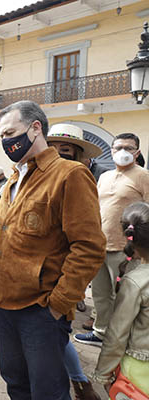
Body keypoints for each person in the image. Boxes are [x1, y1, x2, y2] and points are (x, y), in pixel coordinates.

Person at [0, 100, 106, 399]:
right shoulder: (14, 178)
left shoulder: (70, 175)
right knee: (16, 383)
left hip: (40, 309)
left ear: (35, 127)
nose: (6, 141)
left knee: (48, 391)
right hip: (4, 302)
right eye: (1, 136)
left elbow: (89, 247)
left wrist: (57, 304)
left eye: (10, 132)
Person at [46, 123, 104, 400]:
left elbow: (88, 246)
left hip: (62, 279)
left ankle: (78, 385)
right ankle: (81, 382)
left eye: (65, 150)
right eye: (53, 149)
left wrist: (64, 296)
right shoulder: (35, 179)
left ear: (80, 156)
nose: (58, 154)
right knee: (56, 339)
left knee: (56, 337)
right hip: (39, 280)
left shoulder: (80, 179)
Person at [75, 133, 149, 347]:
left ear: (137, 152)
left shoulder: (143, 176)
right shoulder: (105, 176)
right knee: (100, 295)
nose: (123, 152)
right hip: (99, 245)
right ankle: (101, 333)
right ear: (112, 150)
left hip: (127, 249)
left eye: (129, 147)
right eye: (118, 148)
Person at [92, 202, 149, 397]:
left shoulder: (135, 282)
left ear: (129, 239)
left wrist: (103, 374)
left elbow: (116, 336)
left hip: (139, 372)